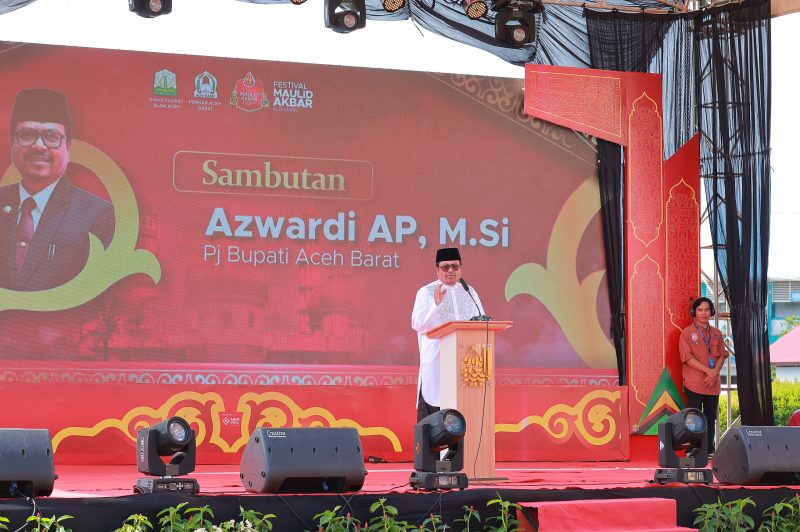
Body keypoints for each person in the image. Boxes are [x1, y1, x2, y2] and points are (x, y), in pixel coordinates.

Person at [0, 88, 113, 291]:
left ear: (68, 146)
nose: (39, 146)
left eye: (51, 136)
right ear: (12, 143)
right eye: (27, 135)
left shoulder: (97, 215)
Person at [411, 247, 484, 422]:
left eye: (454, 266)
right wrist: (434, 305)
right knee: (434, 422)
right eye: (445, 267)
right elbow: (417, 323)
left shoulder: (469, 292)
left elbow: (482, 322)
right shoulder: (426, 292)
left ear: (461, 268)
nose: (450, 270)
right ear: (437, 270)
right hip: (437, 363)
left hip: (466, 363)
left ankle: (462, 450)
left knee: (463, 414)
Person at [679, 296, 729, 454]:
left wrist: (714, 373)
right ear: (694, 312)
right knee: (694, 417)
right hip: (694, 383)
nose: (704, 313)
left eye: (707, 310)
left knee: (710, 417)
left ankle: (708, 449)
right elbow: (687, 358)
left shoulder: (717, 333)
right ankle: (694, 449)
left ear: (712, 312)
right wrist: (708, 371)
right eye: (700, 310)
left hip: (712, 383)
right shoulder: (687, 333)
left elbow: (722, 355)